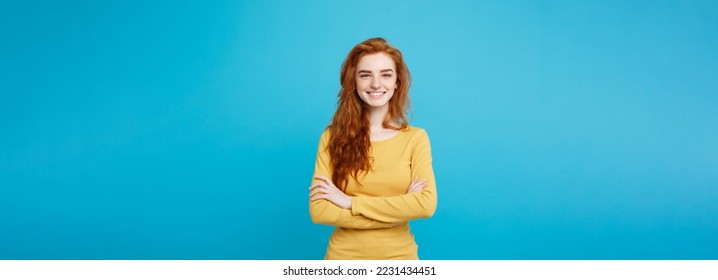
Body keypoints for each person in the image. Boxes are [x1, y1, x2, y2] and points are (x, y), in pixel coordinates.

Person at [308, 37, 437, 260]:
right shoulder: (332, 137)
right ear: (354, 81)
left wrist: (349, 202)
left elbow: (425, 205)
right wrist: (398, 210)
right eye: (365, 75)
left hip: (399, 260)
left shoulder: (416, 138)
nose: (376, 84)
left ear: (397, 82)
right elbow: (320, 211)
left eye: (386, 74)